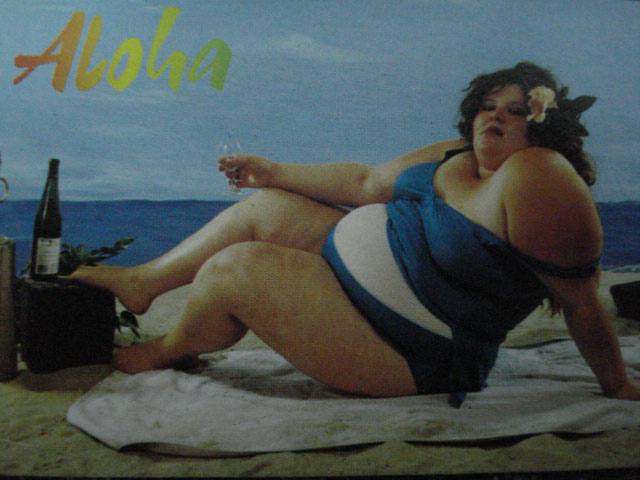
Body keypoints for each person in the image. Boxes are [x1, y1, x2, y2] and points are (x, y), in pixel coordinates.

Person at [71, 62, 640, 405]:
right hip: (353, 285)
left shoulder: (539, 176)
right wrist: (272, 172)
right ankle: (145, 282)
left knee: (236, 268)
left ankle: (173, 346)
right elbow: (365, 182)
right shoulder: (455, 154)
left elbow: (581, 299)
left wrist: (616, 386)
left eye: (515, 111)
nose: (494, 117)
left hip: (413, 352)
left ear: (544, 125)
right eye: (487, 106)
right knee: (267, 208)